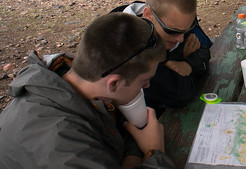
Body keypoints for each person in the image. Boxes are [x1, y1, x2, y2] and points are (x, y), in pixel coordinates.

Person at [0, 13, 176, 168]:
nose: (147, 86)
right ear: (113, 84)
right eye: (144, 81)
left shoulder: (73, 83)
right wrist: (155, 153)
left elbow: (121, 132)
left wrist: (133, 154)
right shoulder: (63, 145)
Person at [115, 0, 210, 112]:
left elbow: (204, 50)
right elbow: (181, 93)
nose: (181, 39)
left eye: (187, 29)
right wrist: (184, 61)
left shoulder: (173, 22)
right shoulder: (126, 46)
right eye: (172, 31)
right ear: (147, 15)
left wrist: (188, 65)